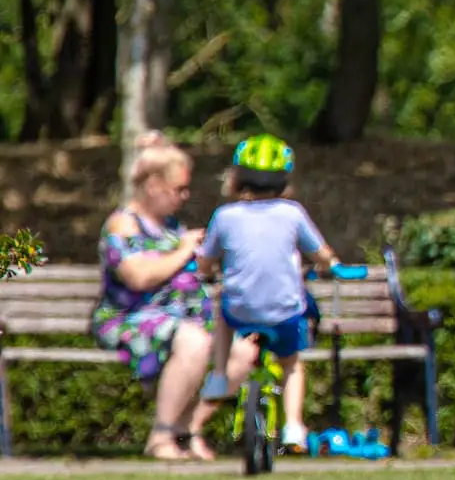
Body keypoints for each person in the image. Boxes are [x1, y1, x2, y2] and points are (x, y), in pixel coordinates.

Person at [92, 133, 247, 461]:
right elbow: (138, 277)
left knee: (243, 351)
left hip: (182, 321)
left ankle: (189, 428)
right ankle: (161, 436)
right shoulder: (123, 225)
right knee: (194, 342)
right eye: (178, 189)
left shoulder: (171, 226)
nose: (185, 196)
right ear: (152, 185)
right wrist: (184, 250)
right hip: (130, 321)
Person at [198, 135, 341, 454]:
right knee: (291, 364)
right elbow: (321, 254)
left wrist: (206, 274)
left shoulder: (225, 216)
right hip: (285, 312)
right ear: (285, 180)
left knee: (223, 310)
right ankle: (293, 427)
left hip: (241, 311)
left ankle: (219, 376)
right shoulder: (293, 213)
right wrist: (332, 265)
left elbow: (205, 261)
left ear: (237, 178)